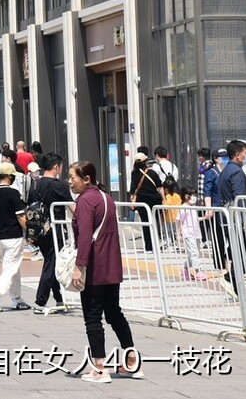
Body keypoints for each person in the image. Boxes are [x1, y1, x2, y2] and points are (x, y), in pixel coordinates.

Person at [68, 160, 141, 382]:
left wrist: (79, 266)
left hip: (95, 267)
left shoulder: (85, 200)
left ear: (86, 179)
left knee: (92, 317)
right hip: (111, 265)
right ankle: (132, 361)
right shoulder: (105, 197)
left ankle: (99, 368)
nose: (70, 181)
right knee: (114, 313)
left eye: (73, 177)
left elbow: (85, 236)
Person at [0, 163, 30, 312]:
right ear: (9, 176)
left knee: (13, 268)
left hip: (0, 237)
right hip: (13, 237)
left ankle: (17, 299)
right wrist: (30, 232)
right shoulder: (13, 193)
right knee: (10, 269)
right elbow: (21, 217)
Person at [31, 152, 73, 314]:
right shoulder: (58, 186)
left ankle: (59, 298)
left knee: (52, 262)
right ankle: (40, 301)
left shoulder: (36, 184)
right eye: (61, 167)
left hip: (39, 230)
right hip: (55, 230)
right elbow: (73, 207)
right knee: (51, 264)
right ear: (56, 167)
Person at [218, 139, 246, 294]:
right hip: (237, 219)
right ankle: (230, 277)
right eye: (245, 153)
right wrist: (245, 221)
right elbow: (239, 199)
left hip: (228, 218)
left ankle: (236, 286)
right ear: (238, 155)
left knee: (238, 252)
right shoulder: (237, 172)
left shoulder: (226, 170)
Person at [128, 153, 162, 252]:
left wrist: (132, 198)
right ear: (145, 162)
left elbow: (133, 188)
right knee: (155, 222)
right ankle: (156, 244)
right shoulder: (152, 173)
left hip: (141, 201)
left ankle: (148, 246)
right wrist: (163, 199)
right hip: (154, 201)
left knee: (145, 223)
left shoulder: (134, 173)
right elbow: (159, 187)